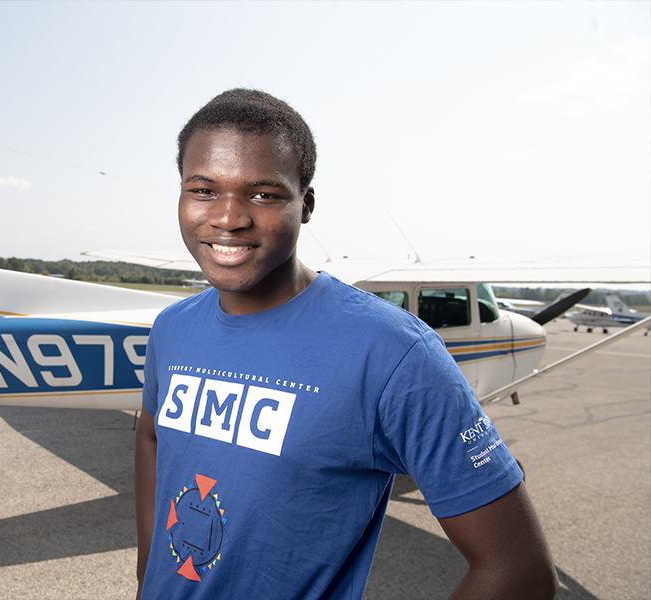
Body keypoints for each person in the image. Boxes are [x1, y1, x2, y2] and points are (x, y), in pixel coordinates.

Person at [134, 89, 558, 600]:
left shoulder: (393, 352)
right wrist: (147, 574)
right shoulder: (171, 328)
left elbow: (520, 572)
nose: (229, 217)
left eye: (263, 194)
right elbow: (152, 436)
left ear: (306, 204)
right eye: (203, 190)